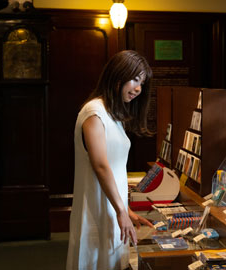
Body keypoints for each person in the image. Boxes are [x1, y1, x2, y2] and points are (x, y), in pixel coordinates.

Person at [67, 50, 154, 270]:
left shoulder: (113, 114)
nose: (138, 89)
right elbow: (101, 166)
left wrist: (126, 210)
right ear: (117, 75)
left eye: (141, 83)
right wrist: (121, 210)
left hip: (113, 208)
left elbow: (114, 168)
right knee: (94, 261)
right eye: (134, 79)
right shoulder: (93, 112)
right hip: (96, 209)